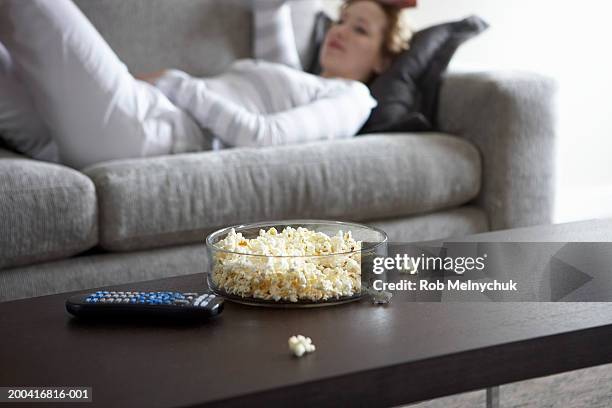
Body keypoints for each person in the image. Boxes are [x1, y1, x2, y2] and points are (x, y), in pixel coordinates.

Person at [0, 0, 411, 169]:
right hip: (62, 140)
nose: (340, 31)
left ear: (384, 58)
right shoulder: (295, 77)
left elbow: (262, 137)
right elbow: (269, 9)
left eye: (360, 30)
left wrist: (175, 82)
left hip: (148, 129)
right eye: (340, 20)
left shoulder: (354, 98)